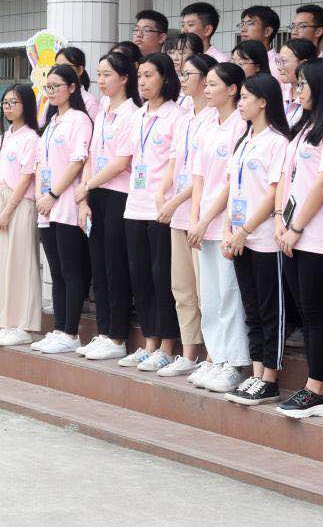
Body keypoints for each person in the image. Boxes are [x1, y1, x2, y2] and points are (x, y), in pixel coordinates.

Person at [275, 58, 323, 418]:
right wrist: (280, 219)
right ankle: (313, 385)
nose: (297, 89)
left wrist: (297, 227)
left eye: (303, 84)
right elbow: (286, 176)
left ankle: (317, 388)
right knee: (304, 312)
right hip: (290, 232)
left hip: (314, 235)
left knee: (316, 312)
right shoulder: (305, 124)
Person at [221, 73, 292, 407]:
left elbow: (273, 194)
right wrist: (229, 230)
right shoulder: (245, 139)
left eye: (246, 97)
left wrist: (244, 230)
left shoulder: (277, 142)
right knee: (250, 308)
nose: (240, 103)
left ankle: (270, 379)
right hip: (240, 238)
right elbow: (234, 189)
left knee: (269, 309)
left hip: (262, 239)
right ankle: (257, 371)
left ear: (263, 102)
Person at [117, 53, 184, 372]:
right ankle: (149, 342)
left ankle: (167, 346)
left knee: (161, 276)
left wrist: (162, 193)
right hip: (135, 205)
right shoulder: (138, 115)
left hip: (161, 208)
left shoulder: (176, 116)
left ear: (165, 78)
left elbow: (175, 162)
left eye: (149, 76)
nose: (142, 82)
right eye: (140, 76)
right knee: (139, 275)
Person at [187, 63, 250, 393]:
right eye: (206, 84)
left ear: (233, 89)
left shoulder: (241, 125)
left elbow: (230, 183)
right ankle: (215, 357)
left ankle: (234, 363)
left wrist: (206, 219)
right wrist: (195, 219)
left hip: (226, 222)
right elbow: (198, 177)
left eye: (213, 84)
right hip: (203, 224)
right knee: (209, 297)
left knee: (229, 294)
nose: (207, 90)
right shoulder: (207, 124)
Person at [75, 52, 142, 361]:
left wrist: (87, 185)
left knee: (115, 266)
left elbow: (121, 162)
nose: (100, 80)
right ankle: (103, 333)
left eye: (107, 75)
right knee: (98, 265)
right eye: (99, 74)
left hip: (119, 195)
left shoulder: (132, 114)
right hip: (97, 193)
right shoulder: (102, 110)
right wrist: (86, 195)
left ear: (124, 78)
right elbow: (91, 154)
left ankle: (117, 337)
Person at [156, 53, 219, 377]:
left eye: (189, 74)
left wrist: (175, 200)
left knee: (205, 290)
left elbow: (202, 175)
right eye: (182, 74)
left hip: (199, 213)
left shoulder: (216, 119)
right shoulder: (183, 118)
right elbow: (173, 164)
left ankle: (212, 355)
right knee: (182, 287)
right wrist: (162, 192)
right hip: (179, 213)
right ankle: (190, 352)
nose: (183, 80)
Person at [32, 65, 94, 355]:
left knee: (71, 272)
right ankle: (58, 329)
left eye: (57, 86)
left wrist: (53, 194)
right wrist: (41, 197)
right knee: (56, 272)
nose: (52, 91)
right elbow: (41, 164)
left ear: (72, 87)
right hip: (46, 207)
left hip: (66, 204)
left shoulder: (79, 120)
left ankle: (71, 332)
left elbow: (77, 162)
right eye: (48, 87)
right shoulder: (52, 121)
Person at [0, 83, 42, 346]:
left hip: (19, 203)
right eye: (5, 103)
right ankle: (6, 322)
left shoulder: (31, 138)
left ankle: (23, 325)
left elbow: (25, 178)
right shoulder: (3, 138)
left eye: (14, 103)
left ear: (26, 105)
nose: (8, 108)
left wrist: (8, 210)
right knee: (1, 266)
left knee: (21, 264)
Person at [277, 39, 319, 128]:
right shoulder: (279, 97)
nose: (279, 67)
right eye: (278, 61)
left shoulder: (314, 101)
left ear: (303, 64)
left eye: (284, 61)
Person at [56, 46, 99, 122]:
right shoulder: (53, 96)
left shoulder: (89, 102)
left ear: (79, 70)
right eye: (57, 66)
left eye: (65, 67)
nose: (59, 71)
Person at [164, 32, 204, 111]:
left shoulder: (200, 82)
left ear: (197, 55)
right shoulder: (166, 79)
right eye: (171, 53)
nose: (175, 58)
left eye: (181, 53)